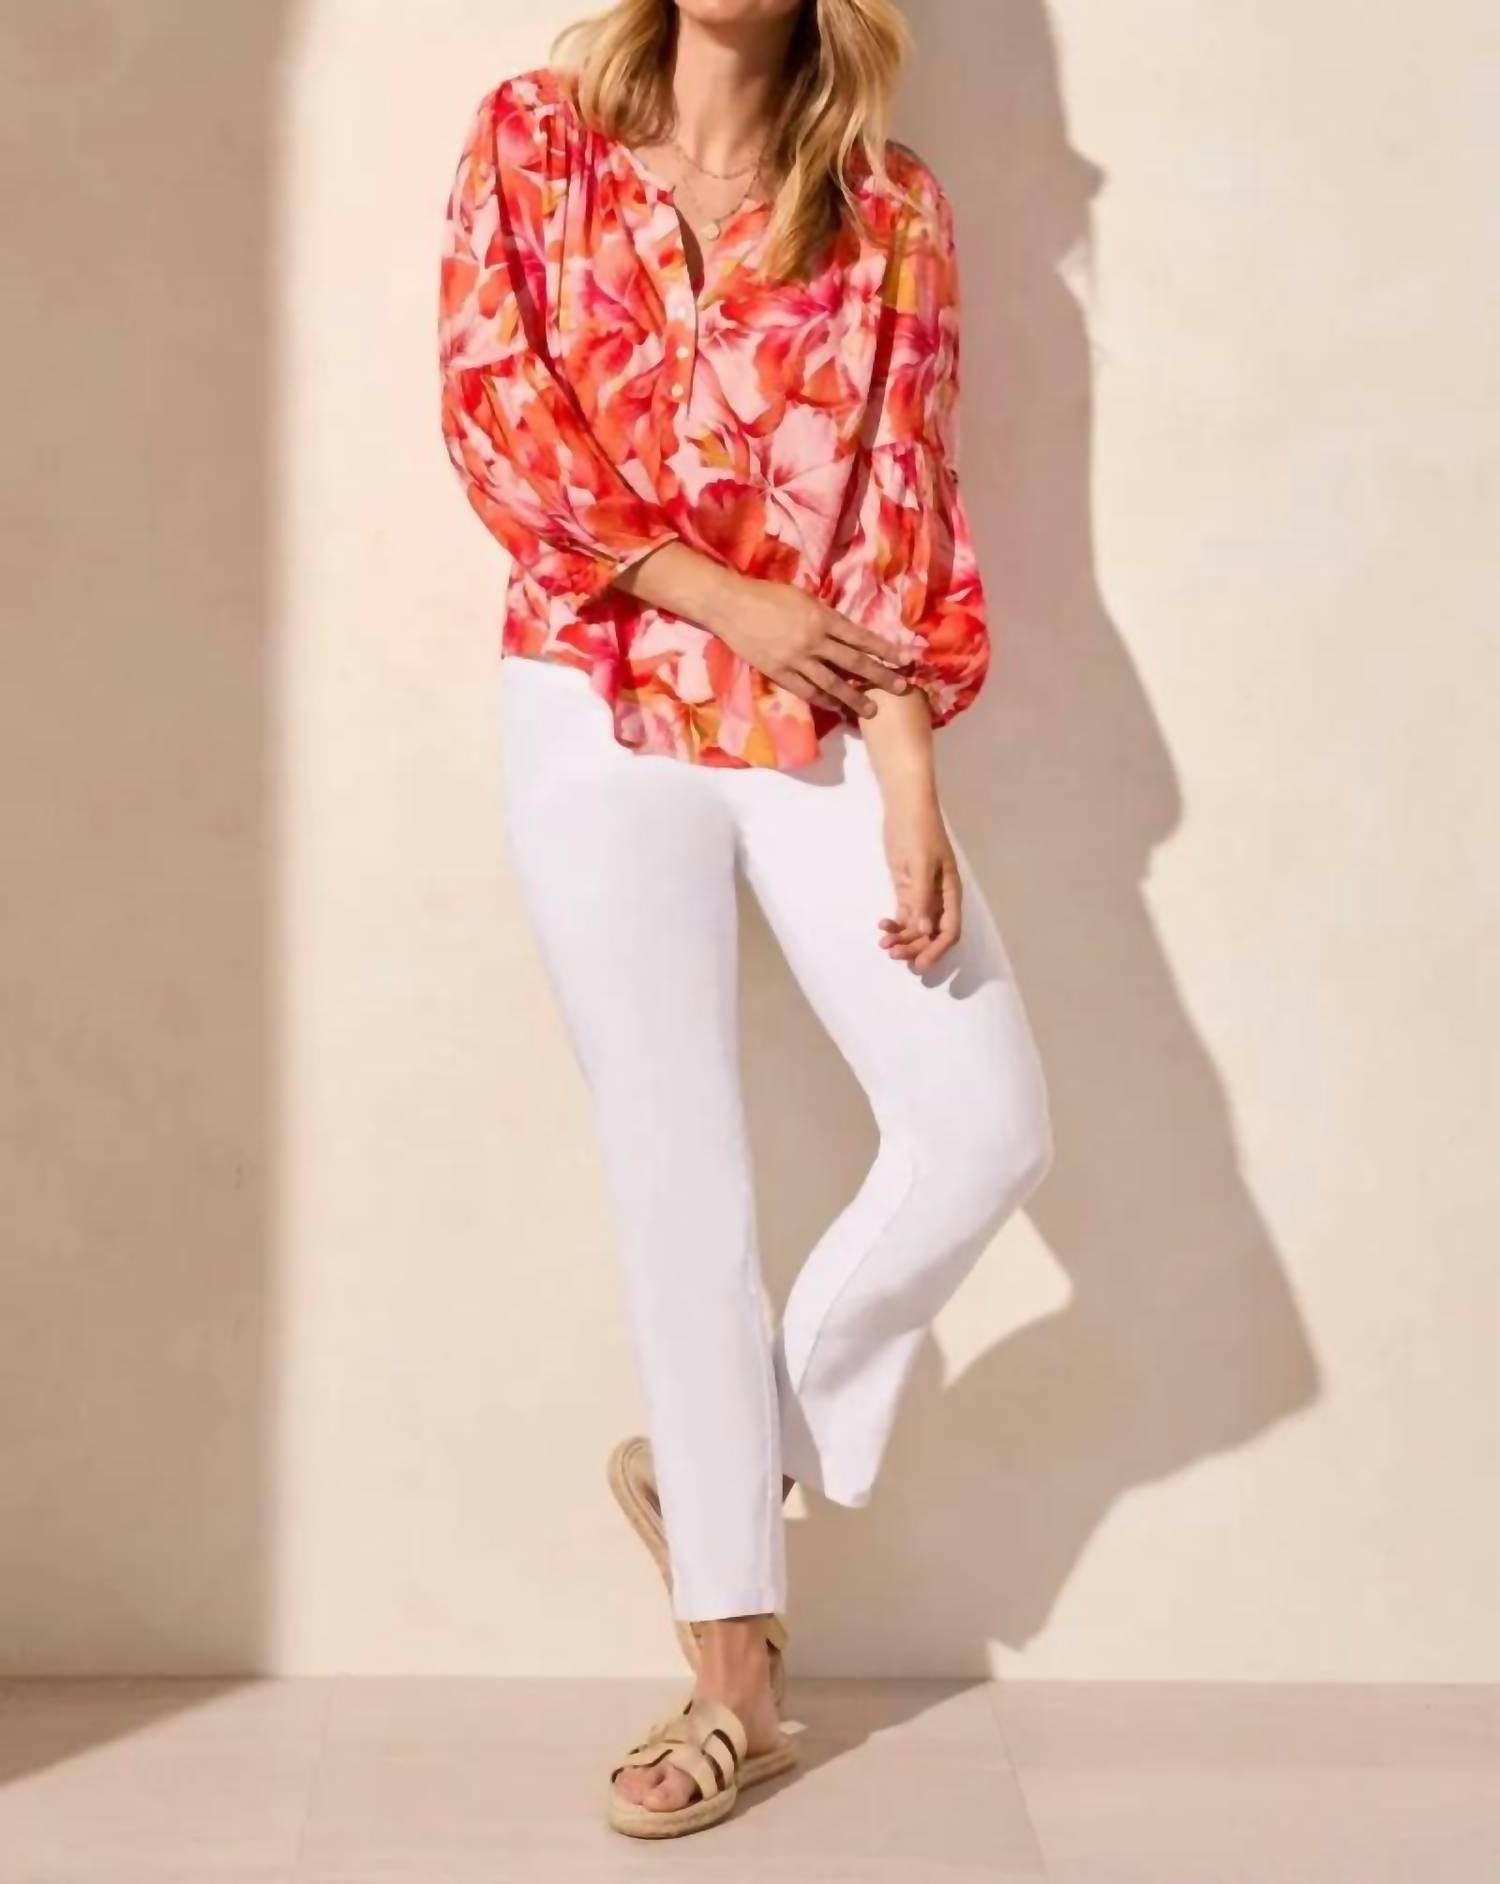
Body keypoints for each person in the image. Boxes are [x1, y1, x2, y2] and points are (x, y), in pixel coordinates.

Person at [437, 0, 1053, 1840]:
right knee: (680, 1176)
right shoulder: (536, 138)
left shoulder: (891, 207)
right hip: (591, 707)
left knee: (983, 1128)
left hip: (822, 718)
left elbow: (905, 512)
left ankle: (735, 1467)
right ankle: (737, 1689)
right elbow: (497, 424)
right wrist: (728, 597)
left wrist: (911, 775)